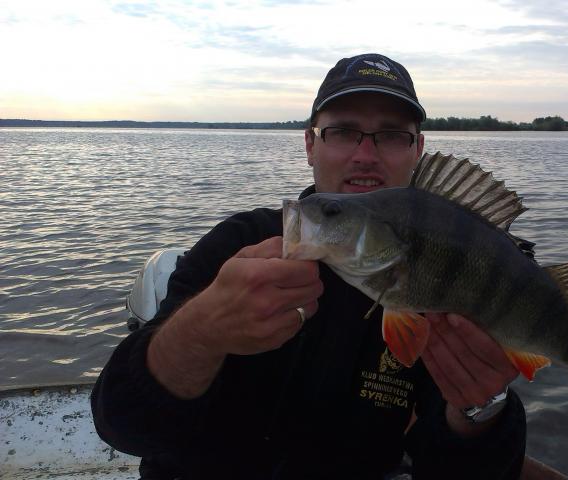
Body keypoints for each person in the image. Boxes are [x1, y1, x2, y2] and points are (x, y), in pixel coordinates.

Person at [91, 53, 529, 479]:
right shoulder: (241, 244)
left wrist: (480, 411)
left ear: (418, 150)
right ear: (309, 145)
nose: (365, 154)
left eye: (392, 135)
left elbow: (452, 467)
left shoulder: (444, 277)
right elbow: (123, 426)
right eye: (343, 132)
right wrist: (199, 332)